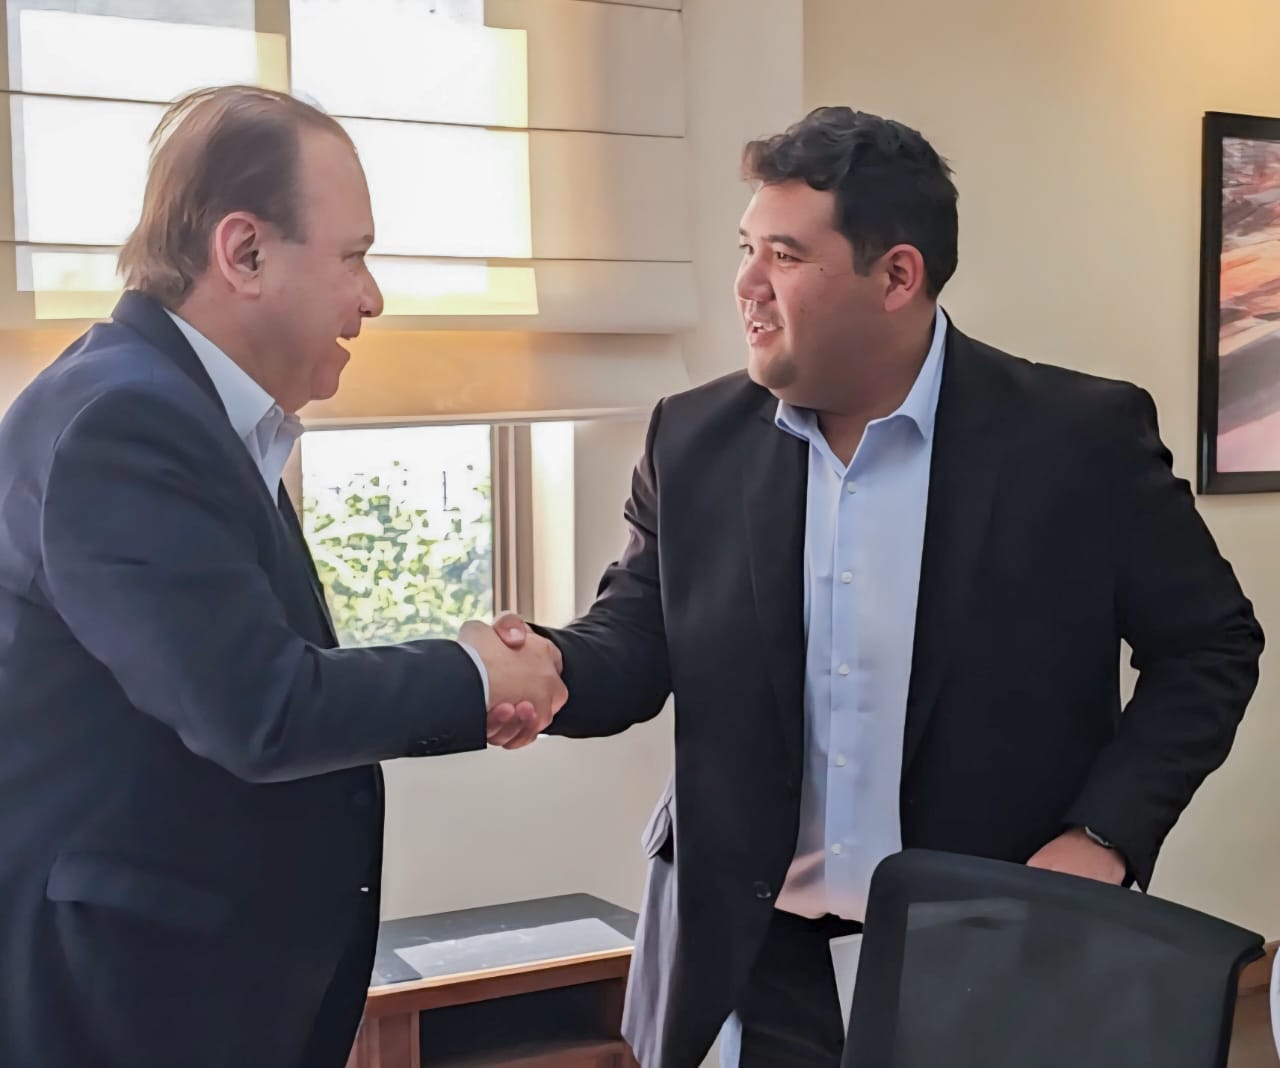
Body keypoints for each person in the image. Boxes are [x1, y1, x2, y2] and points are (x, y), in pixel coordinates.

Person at [479, 106, 1264, 1067]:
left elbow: (1210, 646)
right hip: (747, 965)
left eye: (784, 255)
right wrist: (548, 668)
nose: (747, 285)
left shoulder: (1077, 441)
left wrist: (1104, 834)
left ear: (897, 276)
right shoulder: (691, 440)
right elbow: (636, 644)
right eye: (746, 249)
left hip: (986, 955)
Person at [0, 85, 564, 1068]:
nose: (372, 298)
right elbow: (256, 706)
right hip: (128, 1008)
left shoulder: (189, 411)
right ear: (245, 253)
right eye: (353, 256)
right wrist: (476, 677)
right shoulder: (127, 423)